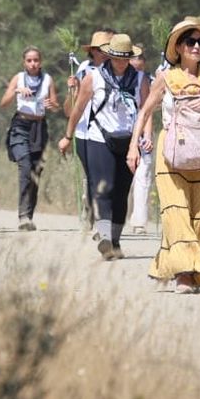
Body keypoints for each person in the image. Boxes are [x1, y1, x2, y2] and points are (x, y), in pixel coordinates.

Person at [132, 18, 200, 293]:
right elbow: (144, 112)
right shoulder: (165, 77)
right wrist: (133, 147)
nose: (197, 46)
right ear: (178, 47)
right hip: (171, 153)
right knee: (176, 213)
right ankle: (184, 274)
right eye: (190, 41)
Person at [58, 33, 143, 260]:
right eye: (117, 57)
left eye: (125, 58)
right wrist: (68, 136)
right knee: (104, 188)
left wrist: (145, 138)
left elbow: (145, 110)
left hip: (129, 141)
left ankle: (115, 241)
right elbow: (78, 108)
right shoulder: (93, 77)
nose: (121, 62)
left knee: (122, 193)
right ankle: (104, 237)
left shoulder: (140, 79)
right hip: (98, 138)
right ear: (109, 56)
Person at [1, 47, 57, 231]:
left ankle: (29, 215)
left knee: (35, 172)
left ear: (41, 61)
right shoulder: (18, 78)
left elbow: (55, 105)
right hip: (21, 125)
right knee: (24, 166)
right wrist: (16, 90)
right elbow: (3, 103)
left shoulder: (48, 80)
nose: (33, 64)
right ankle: (23, 215)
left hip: (39, 127)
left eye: (36, 60)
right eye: (29, 60)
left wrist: (51, 105)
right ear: (24, 62)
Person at [65, 30, 114, 234]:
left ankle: (101, 216)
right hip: (84, 132)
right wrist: (72, 90)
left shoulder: (117, 72)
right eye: (100, 49)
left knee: (105, 177)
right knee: (92, 176)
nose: (105, 53)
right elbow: (70, 109)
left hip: (109, 132)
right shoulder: (83, 69)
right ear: (92, 51)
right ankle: (92, 214)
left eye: (108, 49)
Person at [126, 51, 156, 234]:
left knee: (143, 176)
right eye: (133, 59)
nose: (136, 62)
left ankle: (139, 221)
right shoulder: (117, 80)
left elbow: (148, 110)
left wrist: (148, 136)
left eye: (140, 59)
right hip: (123, 133)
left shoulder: (150, 80)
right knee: (124, 179)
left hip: (143, 133)